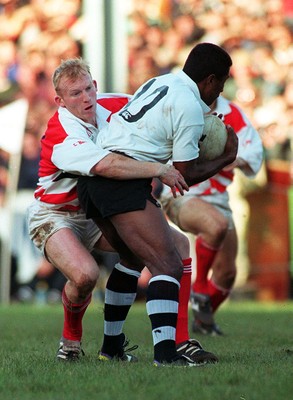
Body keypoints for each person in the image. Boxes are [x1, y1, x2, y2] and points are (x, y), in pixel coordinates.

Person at [27, 57, 216, 365]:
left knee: (177, 245)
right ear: (60, 101)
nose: (86, 97)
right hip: (54, 214)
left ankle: (178, 342)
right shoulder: (60, 131)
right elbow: (106, 165)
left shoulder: (113, 103)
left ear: (95, 85)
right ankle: (71, 339)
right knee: (86, 275)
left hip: (94, 211)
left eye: (89, 88)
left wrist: (202, 118)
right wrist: (160, 169)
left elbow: (160, 108)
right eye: (75, 93)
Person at [77, 42, 239, 366]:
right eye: (221, 83)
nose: (221, 90)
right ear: (209, 80)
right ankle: (166, 356)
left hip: (94, 177)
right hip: (120, 179)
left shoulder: (160, 81)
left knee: (132, 259)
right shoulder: (190, 107)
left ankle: (111, 350)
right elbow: (180, 179)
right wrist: (226, 157)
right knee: (169, 264)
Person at [160, 94, 263, 335]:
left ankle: (202, 320)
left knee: (228, 274)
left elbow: (254, 150)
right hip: (182, 192)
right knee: (215, 225)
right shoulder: (181, 107)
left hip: (219, 198)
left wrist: (234, 159)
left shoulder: (233, 114)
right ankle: (200, 287)